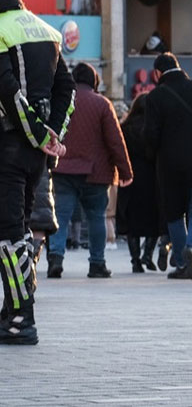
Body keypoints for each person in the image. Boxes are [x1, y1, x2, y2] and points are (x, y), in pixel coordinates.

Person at [0, 0, 74, 345]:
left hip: (3, 147)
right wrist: (52, 134)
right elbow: (67, 89)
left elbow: (6, 93)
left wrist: (39, 135)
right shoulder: (45, 29)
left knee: (7, 233)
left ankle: (20, 319)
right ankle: (12, 307)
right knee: (22, 230)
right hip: (34, 156)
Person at [48, 63, 132, 278]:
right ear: (94, 82)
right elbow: (115, 141)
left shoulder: (60, 101)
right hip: (96, 173)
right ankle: (97, 263)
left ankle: (55, 257)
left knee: (61, 216)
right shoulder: (102, 104)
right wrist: (125, 171)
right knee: (96, 217)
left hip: (63, 169)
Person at [143, 53, 192, 279]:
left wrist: (152, 156)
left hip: (170, 164)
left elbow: (151, 135)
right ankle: (190, 248)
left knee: (173, 213)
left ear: (157, 73)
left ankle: (182, 263)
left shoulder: (155, 97)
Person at [118, 94, 165, 273]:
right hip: (152, 178)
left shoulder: (125, 128)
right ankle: (148, 254)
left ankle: (135, 261)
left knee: (132, 223)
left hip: (130, 178)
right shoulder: (153, 129)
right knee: (154, 219)